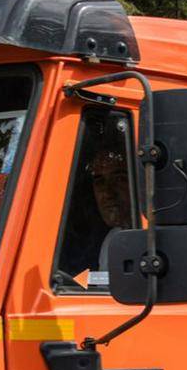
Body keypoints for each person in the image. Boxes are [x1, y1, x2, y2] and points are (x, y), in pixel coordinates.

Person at [54, 110, 134, 283]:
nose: (107, 192)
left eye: (119, 178)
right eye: (99, 181)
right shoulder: (113, 239)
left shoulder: (159, 239)